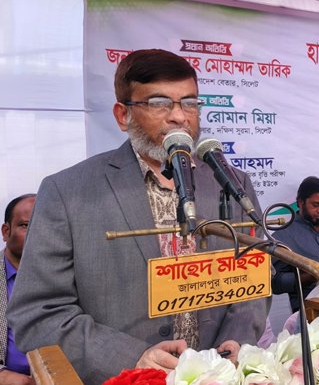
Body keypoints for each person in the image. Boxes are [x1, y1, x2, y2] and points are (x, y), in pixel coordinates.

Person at [7, 50, 266, 384]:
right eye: (159, 103)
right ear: (122, 115)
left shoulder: (231, 184)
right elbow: (38, 313)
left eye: (189, 103)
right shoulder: (67, 191)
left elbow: (254, 279)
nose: (179, 117)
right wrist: (133, 359)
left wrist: (237, 338)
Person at [272, 176, 319, 312]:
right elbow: (275, 284)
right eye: (316, 205)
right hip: (311, 312)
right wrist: (315, 273)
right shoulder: (282, 237)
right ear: (300, 202)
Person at [1, 194, 36, 384]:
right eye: (26, 225)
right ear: (6, 232)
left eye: (45, 226)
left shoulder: (73, 277)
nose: (37, 233)